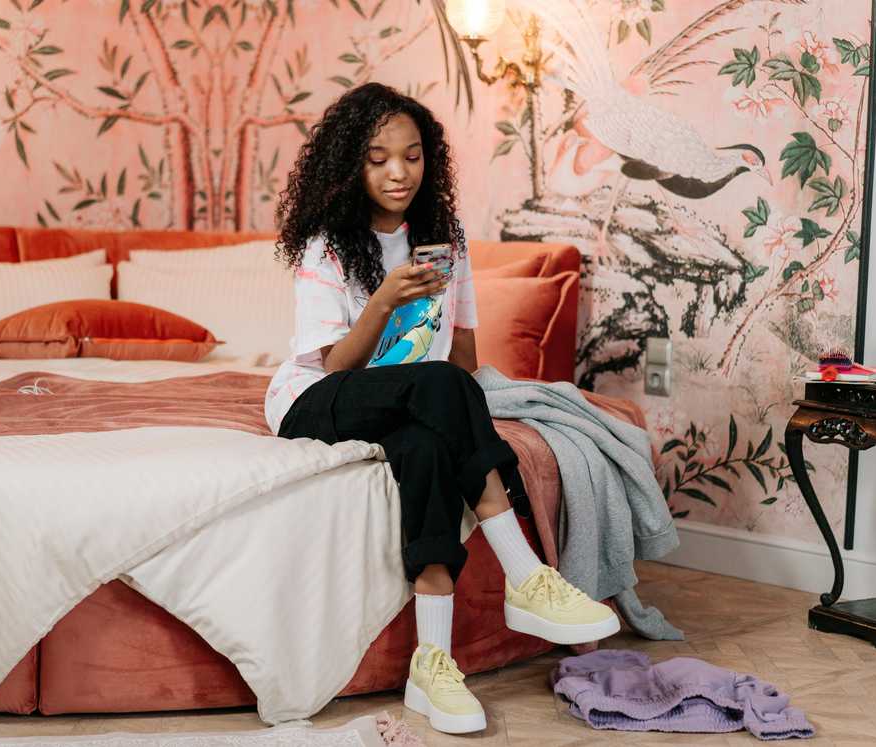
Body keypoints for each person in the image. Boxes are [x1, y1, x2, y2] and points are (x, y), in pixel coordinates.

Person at [265, 82, 618, 735]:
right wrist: (386, 299)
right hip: (315, 397)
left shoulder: (443, 235)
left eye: (413, 155)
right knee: (432, 387)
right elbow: (337, 367)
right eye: (378, 158)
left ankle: (431, 666)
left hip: (405, 398)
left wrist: (463, 423)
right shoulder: (328, 245)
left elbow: (461, 353)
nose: (399, 172)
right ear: (351, 164)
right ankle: (526, 575)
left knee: (431, 441)